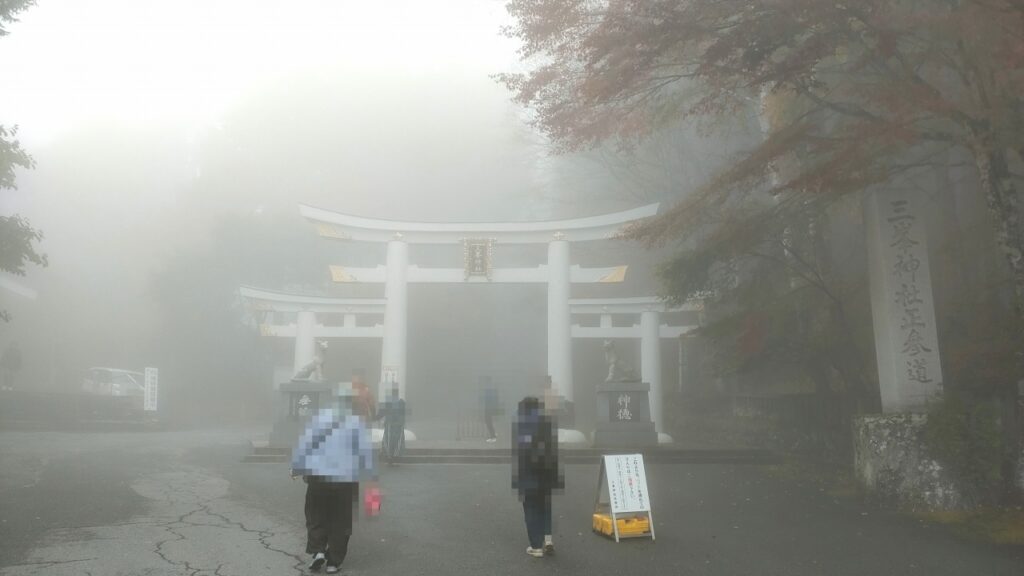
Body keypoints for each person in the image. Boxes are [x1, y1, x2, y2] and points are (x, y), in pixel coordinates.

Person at [291, 389, 377, 574]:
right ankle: (333, 562)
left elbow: (307, 443)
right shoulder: (356, 424)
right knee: (341, 518)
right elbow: (364, 453)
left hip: (319, 475)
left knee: (316, 513)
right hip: (345, 478)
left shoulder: (320, 420)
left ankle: (318, 551)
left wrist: (298, 467)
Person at [512, 396, 562, 558]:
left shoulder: (523, 423)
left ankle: (536, 546)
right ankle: (548, 539)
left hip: (530, 474)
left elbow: (522, 447)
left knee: (531, 508)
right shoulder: (546, 421)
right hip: (547, 471)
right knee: (545, 505)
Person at [376, 383, 406, 463]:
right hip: (398, 426)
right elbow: (403, 414)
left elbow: (381, 413)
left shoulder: (388, 403)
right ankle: (394, 456)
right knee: (397, 441)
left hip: (390, 426)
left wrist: (375, 418)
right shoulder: (401, 402)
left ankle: (389, 456)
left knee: (388, 441)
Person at [480, 377, 500, 442]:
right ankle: (494, 434)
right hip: (489, 408)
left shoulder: (489, 389)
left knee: (488, 421)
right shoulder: (490, 388)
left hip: (489, 408)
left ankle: (493, 437)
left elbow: (490, 400)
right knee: (489, 421)